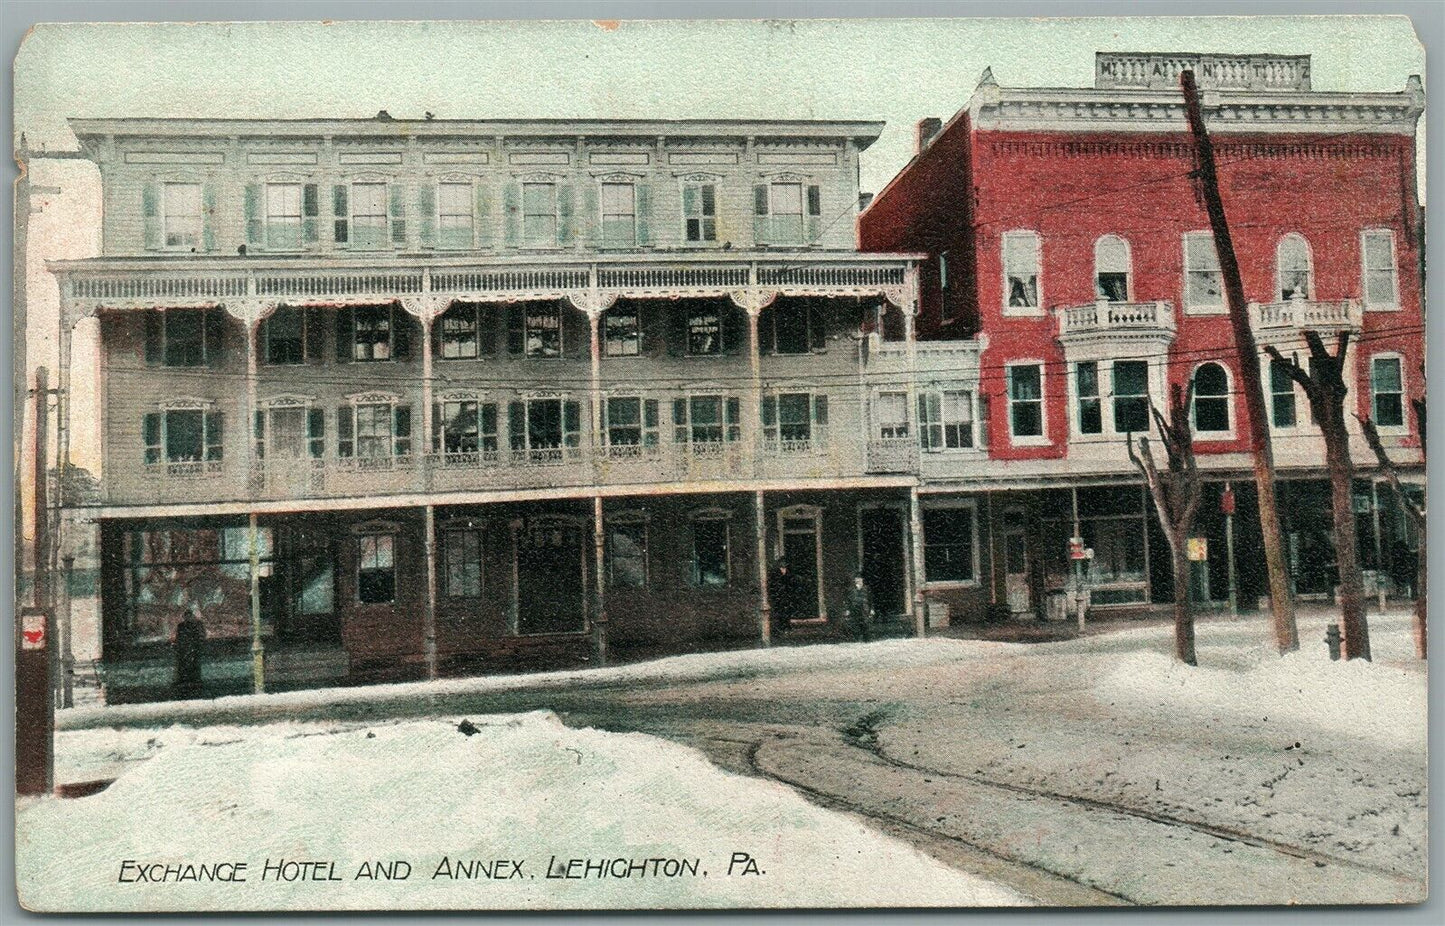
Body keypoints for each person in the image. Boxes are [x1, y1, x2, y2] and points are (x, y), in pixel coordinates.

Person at [173, 602, 206, 695]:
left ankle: (192, 681)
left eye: (188, 616)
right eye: (186, 616)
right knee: (186, 665)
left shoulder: (195, 625)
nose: (187, 618)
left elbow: (201, 636)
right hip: (186, 649)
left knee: (192, 665)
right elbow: (179, 638)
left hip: (192, 648)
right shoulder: (182, 626)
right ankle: (187, 681)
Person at [845, 573, 875, 642]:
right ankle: (856, 639)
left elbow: (871, 600)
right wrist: (847, 609)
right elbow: (848, 600)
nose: (857, 580)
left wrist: (872, 609)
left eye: (859, 579)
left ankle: (866, 639)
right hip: (854, 609)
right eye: (856, 579)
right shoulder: (851, 589)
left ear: (862, 580)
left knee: (865, 623)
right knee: (855, 624)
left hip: (865, 609)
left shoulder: (867, 589)